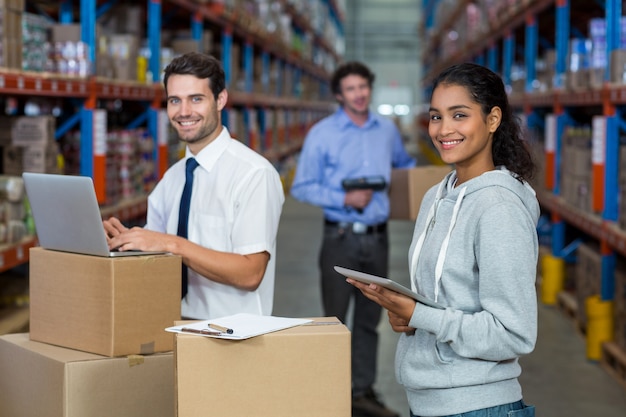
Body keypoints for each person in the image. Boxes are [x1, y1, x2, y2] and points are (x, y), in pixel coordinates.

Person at [347, 62, 539, 417]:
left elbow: (514, 333)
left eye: (460, 115)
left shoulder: (499, 207)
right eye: (436, 117)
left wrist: (423, 315)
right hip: (428, 402)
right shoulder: (437, 195)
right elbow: (447, 302)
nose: (444, 129)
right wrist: (410, 315)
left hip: (478, 406)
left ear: (493, 119)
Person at [103, 52, 285, 320]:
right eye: (174, 101)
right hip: (173, 325)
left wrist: (172, 244)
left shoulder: (253, 174)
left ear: (220, 100)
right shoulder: (172, 179)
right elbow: (158, 260)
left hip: (234, 336)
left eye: (196, 99)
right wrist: (126, 244)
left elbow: (251, 273)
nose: (184, 112)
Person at [290, 61, 415, 417]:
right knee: (335, 319)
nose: (359, 94)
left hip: (377, 239)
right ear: (339, 95)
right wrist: (342, 198)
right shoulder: (322, 133)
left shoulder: (387, 130)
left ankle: (363, 391)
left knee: (369, 321)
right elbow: (302, 186)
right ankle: (330, 393)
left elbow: (404, 166)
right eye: (351, 89)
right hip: (339, 237)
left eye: (363, 87)